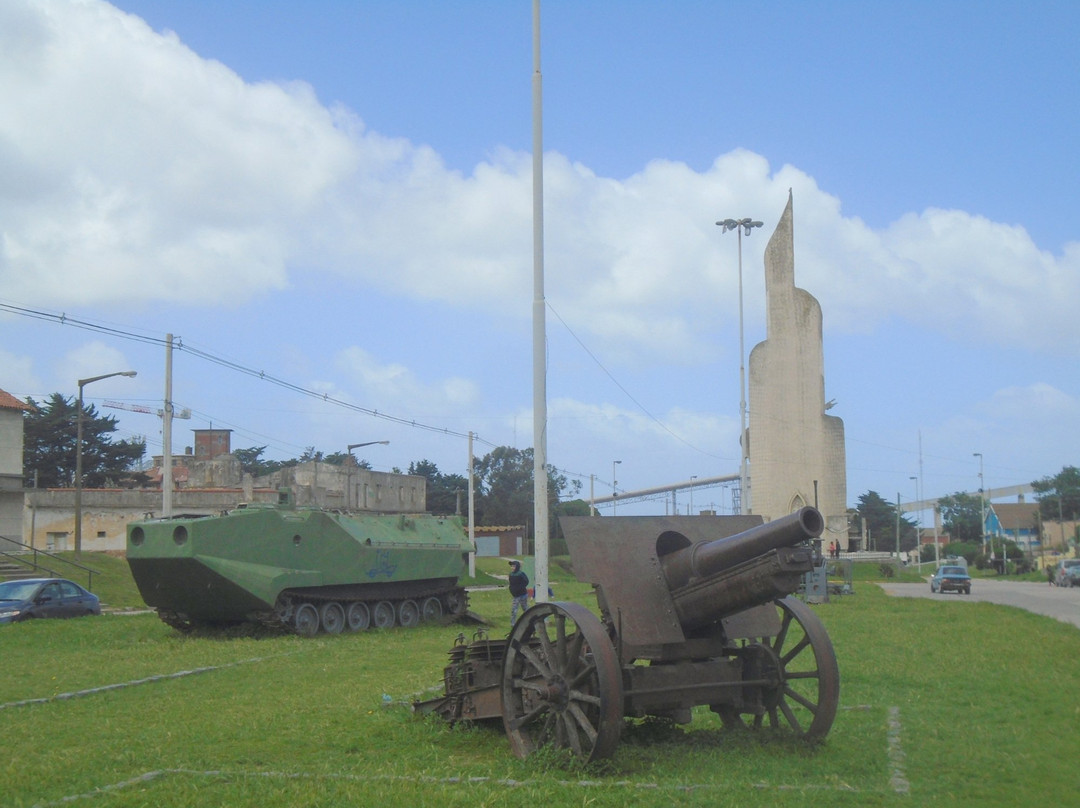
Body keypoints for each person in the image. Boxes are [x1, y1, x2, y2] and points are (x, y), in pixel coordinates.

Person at [508, 560, 529, 624]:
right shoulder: (511, 575)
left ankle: (529, 620)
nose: (512, 568)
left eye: (514, 566)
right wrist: (511, 589)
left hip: (523, 594)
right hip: (515, 595)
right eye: (511, 566)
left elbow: (526, 581)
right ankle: (512, 623)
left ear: (517, 567)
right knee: (514, 610)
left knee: (525, 608)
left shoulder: (521, 574)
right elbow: (511, 584)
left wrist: (520, 588)